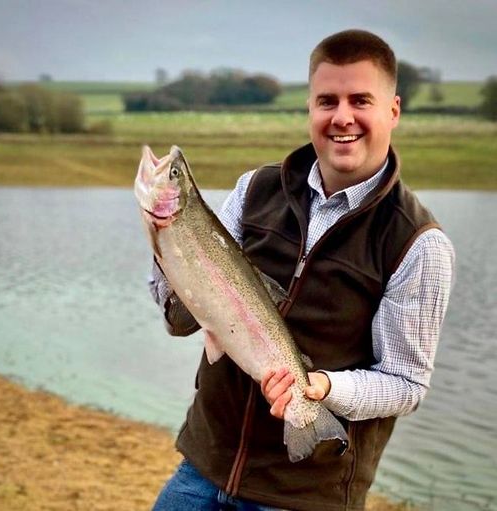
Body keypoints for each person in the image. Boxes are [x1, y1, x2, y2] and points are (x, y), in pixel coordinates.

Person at [146, 29, 455, 511]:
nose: (342, 117)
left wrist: (323, 387)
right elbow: (178, 317)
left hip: (304, 497)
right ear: (309, 108)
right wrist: (166, 240)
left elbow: (405, 383)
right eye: (327, 101)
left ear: (392, 110)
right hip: (204, 468)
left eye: (361, 100)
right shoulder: (253, 190)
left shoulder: (418, 243)